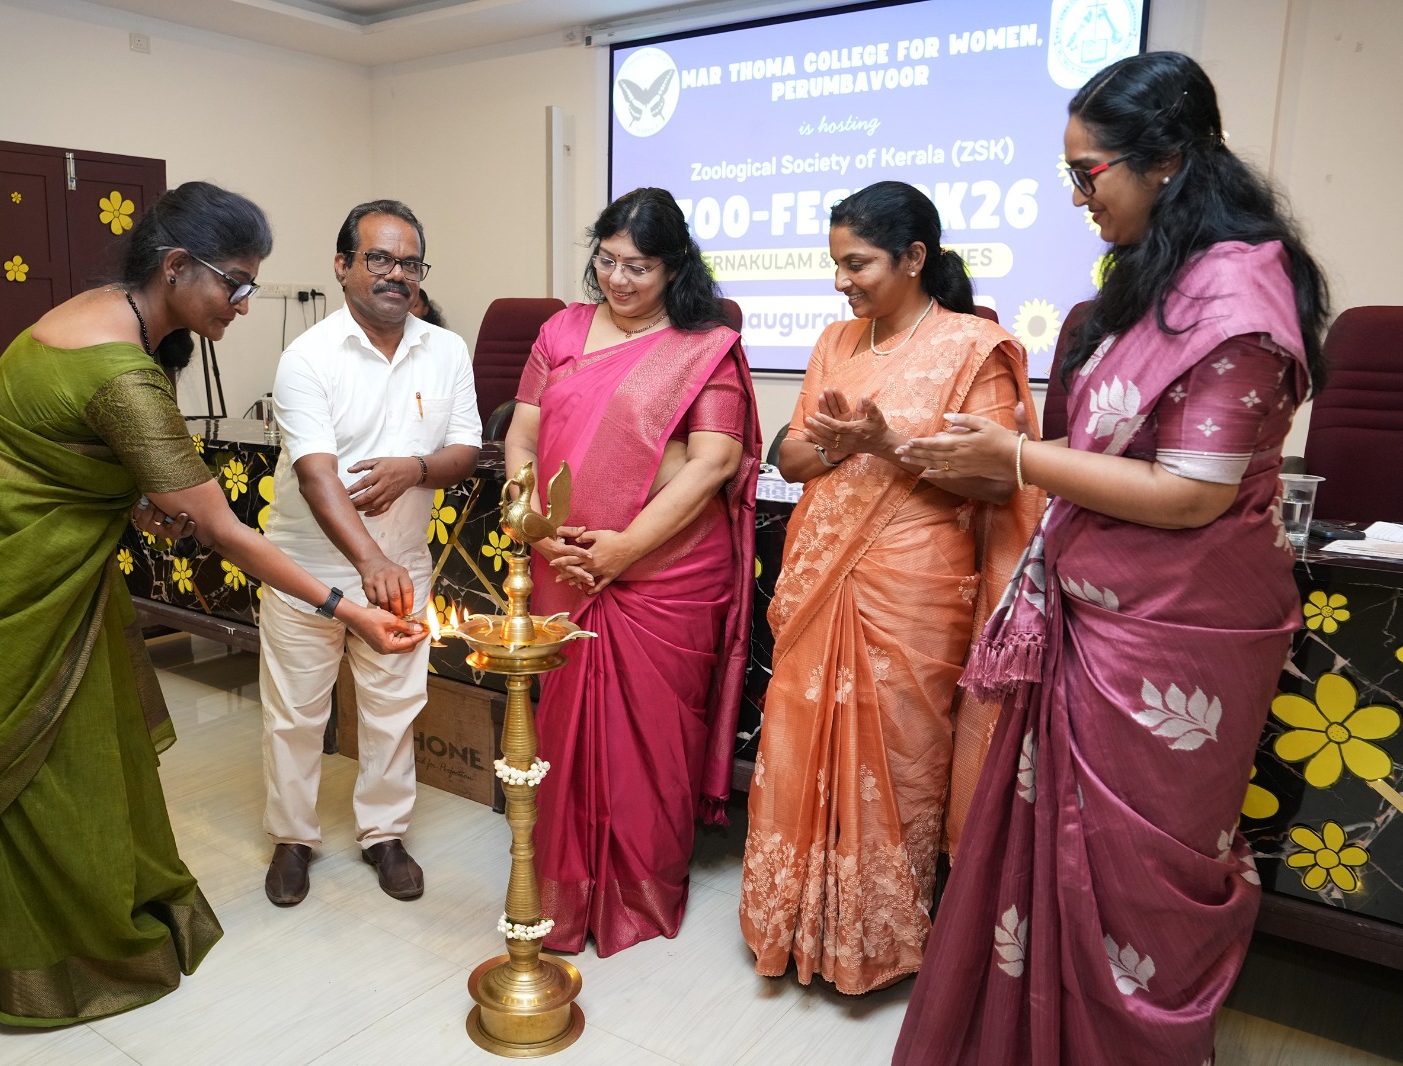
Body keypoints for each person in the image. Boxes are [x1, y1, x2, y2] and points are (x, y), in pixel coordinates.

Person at [0, 182, 425, 1027]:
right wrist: (349, 608)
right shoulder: (124, 375)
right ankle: (21, 947)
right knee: (22, 759)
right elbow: (225, 531)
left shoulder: (106, 311)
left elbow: (70, 451)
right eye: (236, 284)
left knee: (76, 745)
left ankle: (66, 910)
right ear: (177, 266)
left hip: (12, 549)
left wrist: (137, 499)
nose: (244, 304)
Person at [891, 51, 1329, 1064]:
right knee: (1047, 859)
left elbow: (1192, 491)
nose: (1079, 198)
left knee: (1136, 882)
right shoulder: (1158, 276)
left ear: (1165, 160)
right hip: (1095, 611)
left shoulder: (1236, 301)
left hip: (1179, 634)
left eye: (1087, 174)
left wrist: (1013, 457)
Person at [738, 182, 1044, 994]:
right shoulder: (836, 340)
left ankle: (876, 939)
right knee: (799, 736)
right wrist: (844, 444)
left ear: (914, 257)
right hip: (820, 570)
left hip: (914, 582)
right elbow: (791, 457)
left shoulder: (975, 347)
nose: (842, 281)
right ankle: (790, 923)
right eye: (836, 264)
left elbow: (997, 479)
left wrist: (888, 441)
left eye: (858, 263)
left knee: (901, 756)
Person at [503, 187, 761, 956]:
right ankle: (563, 887)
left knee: (649, 742)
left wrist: (623, 550)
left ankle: (635, 890)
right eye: (607, 260)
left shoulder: (704, 345)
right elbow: (522, 437)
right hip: (564, 559)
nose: (617, 279)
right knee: (563, 727)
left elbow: (712, 463)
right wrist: (533, 521)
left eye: (638, 267)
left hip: (666, 574)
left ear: (673, 267)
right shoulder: (561, 331)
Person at [260, 200, 480, 906]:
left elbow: (466, 451)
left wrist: (415, 469)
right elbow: (315, 475)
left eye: (410, 263)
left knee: (393, 710)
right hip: (306, 571)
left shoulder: (446, 350)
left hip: (404, 565)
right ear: (343, 265)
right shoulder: (308, 357)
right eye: (378, 258)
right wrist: (368, 564)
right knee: (296, 715)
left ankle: (384, 835)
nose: (396, 274)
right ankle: (292, 839)